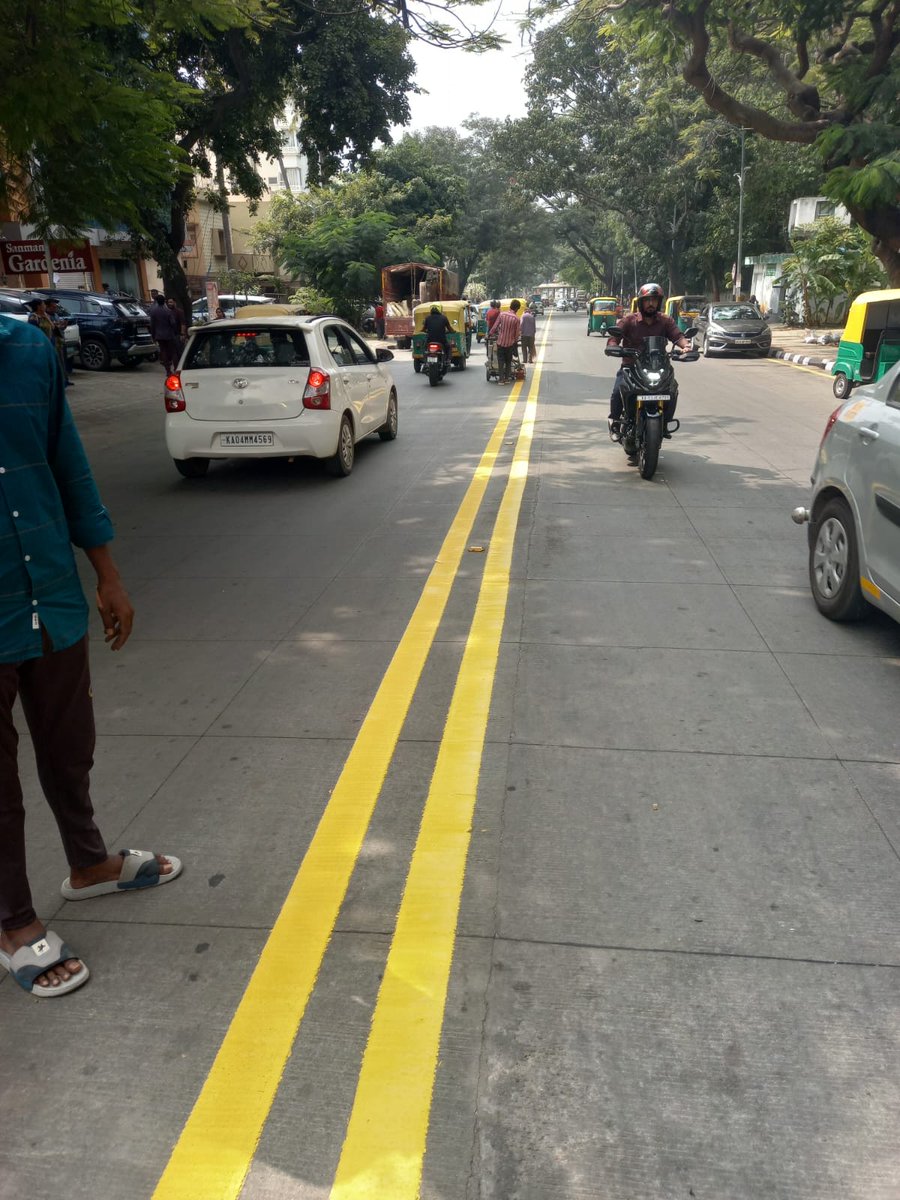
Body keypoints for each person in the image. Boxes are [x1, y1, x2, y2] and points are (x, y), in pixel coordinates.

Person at [0, 314, 181, 998]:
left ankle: (88, 866)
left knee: (70, 746)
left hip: (48, 593)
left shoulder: (27, 350)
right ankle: (14, 924)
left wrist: (106, 574)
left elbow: (67, 464)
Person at [606, 282, 690, 446]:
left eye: (654, 300)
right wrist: (613, 346)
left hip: (658, 366)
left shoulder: (665, 321)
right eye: (647, 300)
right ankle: (616, 423)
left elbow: (677, 336)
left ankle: (664, 423)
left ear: (659, 302)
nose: (651, 304)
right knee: (617, 391)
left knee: (672, 389)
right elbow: (614, 337)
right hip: (631, 367)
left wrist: (685, 346)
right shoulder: (629, 320)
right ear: (641, 302)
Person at [43, 296, 74, 387]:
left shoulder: (55, 315)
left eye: (56, 307)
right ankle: (60, 382)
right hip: (52, 342)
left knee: (63, 361)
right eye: (53, 307)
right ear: (47, 307)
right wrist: (58, 326)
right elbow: (50, 329)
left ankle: (65, 379)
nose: (55, 308)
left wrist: (64, 325)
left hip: (60, 341)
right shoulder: (45, 317)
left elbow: (61, 328)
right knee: (56, 362)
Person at [490, 299, 522, 384]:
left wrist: (490, 334)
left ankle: (501, 380)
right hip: (509, 344)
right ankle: (507, 378)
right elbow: (516, 334)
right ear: (517, 309)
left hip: (500, 342)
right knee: (508, 361)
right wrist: (515, 341)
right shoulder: (516, 319)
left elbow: (495, 326)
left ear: (510, 306)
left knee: (501, 361)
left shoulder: (502, 314)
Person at [148, 294, 180, 372]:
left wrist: (153, 335)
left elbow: (152, 325)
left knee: (163, 351)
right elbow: (173, 323)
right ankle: (176, 369)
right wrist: (175, 331)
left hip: (159, 335)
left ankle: (168, 371)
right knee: (173, 352)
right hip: (169, 334)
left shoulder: (153, 311)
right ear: (164, 301)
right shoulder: (168, 311)